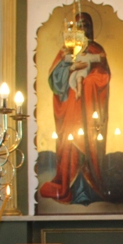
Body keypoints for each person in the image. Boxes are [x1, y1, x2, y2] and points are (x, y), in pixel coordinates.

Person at [38, 11, 111, 204]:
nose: (83, 30)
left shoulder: (96, 49)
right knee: (69, 143)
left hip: (88, 109)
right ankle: (67, 184)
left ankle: (91, 187)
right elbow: (55, 79)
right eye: (79, 26)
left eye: (86, 25)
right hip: (70, 106)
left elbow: (103, 76)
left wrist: (88, 82)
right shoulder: (66, 50)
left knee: (88, 142)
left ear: (91, 28)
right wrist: (71, 68)